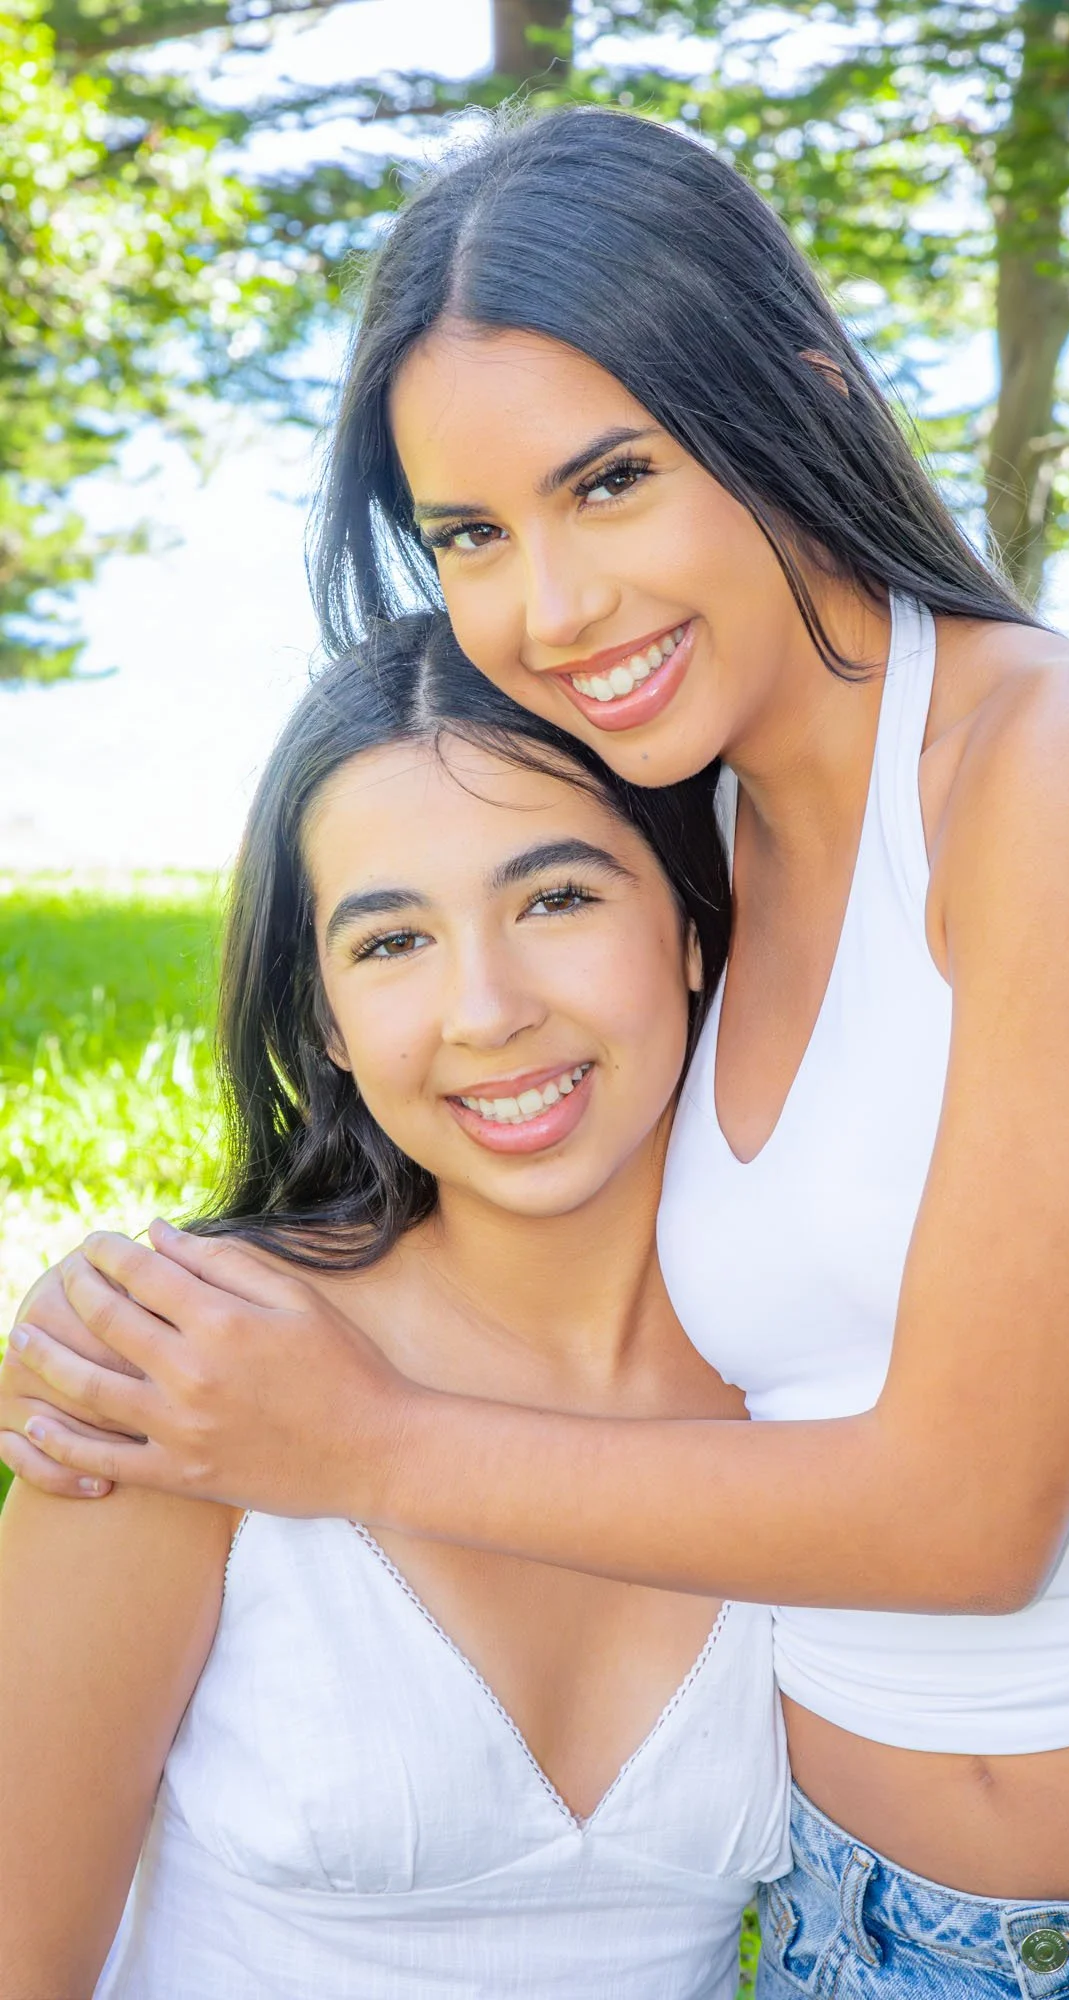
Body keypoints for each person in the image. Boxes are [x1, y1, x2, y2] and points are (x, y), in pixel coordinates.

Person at [6, 107, 1069, 1997]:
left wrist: (357, 1444)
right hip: (849, 1936)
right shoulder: (689, 848)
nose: (551, 610)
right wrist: (138, 1315)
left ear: (790, 397)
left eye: (609, 482)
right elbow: (484, 1141)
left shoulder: (1065, 774)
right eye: (471, 534)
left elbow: (972, 1513)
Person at [0, 614, 789, 2000]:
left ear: (689, 922)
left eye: (555, 899)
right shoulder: (183, 1373)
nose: (483, 1010)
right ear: (323, 1020)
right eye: (391, 943)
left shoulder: (826, 1374)